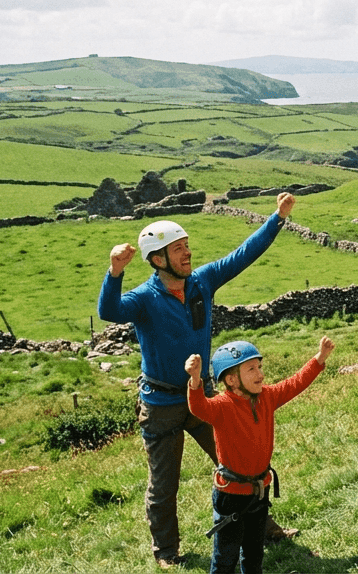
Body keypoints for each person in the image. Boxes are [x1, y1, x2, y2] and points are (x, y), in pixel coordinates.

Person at [98, 193, 298, 567]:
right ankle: (167, 553)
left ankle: (265, 527)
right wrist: (114, 273)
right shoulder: (143, 298)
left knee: (244, 466)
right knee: (164, 486)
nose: (188, 254)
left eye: (188, 247)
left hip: (204, 398)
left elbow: (241, 257)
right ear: (158, 260)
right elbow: (109, 311)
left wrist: (277, 218)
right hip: (161, 406)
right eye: (179, 250)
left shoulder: (202, 282)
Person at [185, 337, 333, 574]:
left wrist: (319, 359)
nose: (260, 374)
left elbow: (295, 383)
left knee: (254, 553)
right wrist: (195, 381)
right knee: (225, 557)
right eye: (251, 369)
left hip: (259, 491)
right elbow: (199, 407)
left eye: (260, 367)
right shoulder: (222, 406)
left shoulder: (267, 396)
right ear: (232, 380)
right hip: (231, 495)